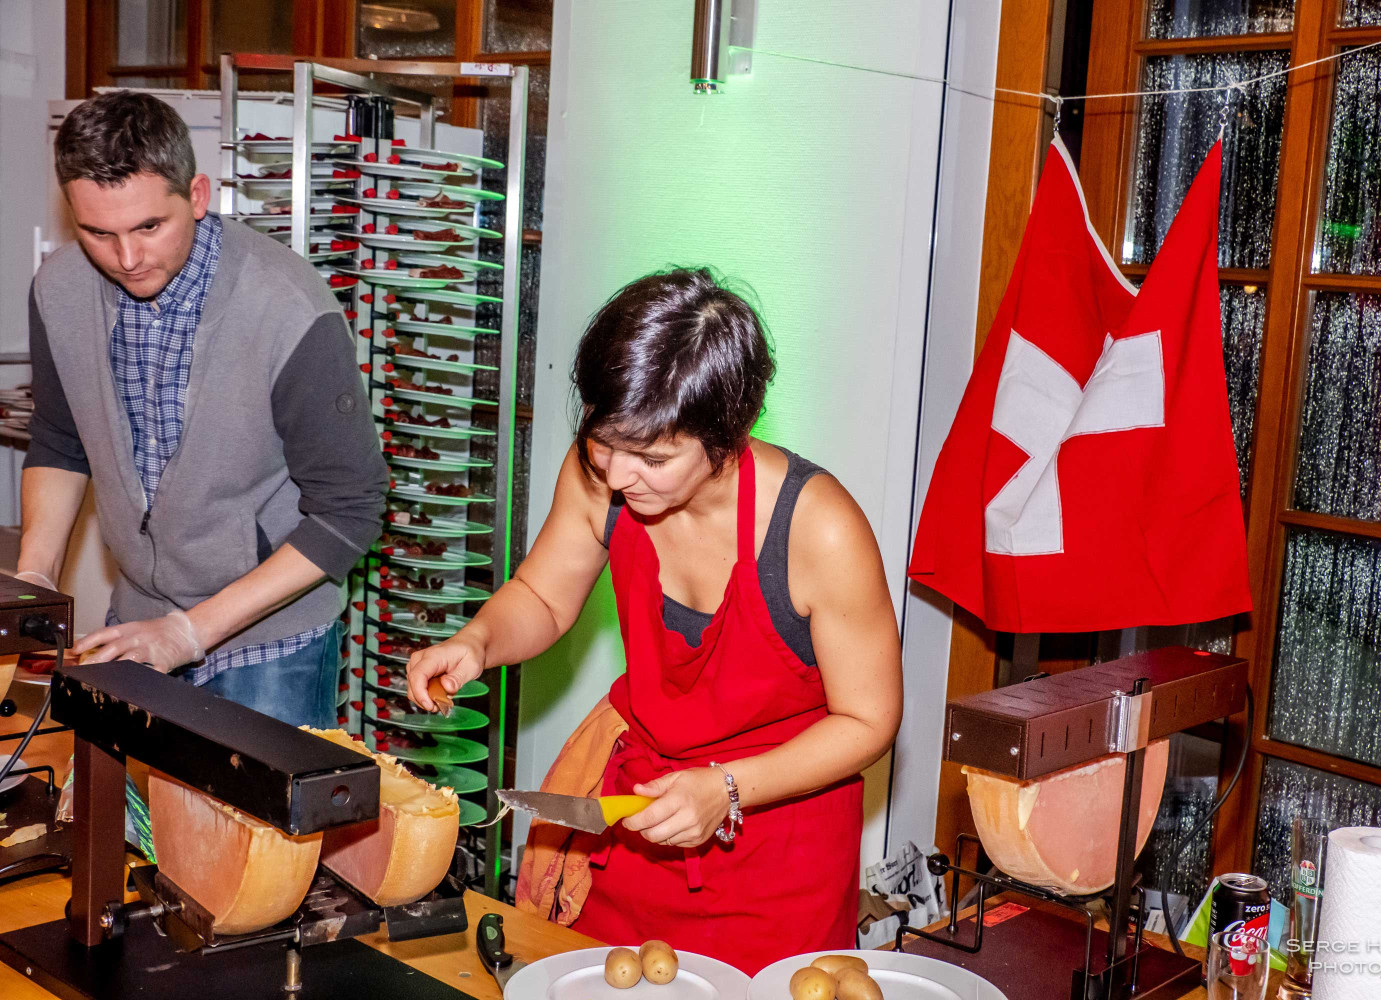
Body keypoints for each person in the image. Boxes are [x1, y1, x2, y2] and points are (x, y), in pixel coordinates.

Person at [407, 268, 903, 972]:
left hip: (774, 849)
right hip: (634, 821)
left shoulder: (818, 529)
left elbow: (869, 720)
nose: (616, 475)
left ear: (727, 435)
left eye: (652, 457)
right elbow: (543, 596)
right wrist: (478, 641)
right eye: (604, 442)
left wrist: (727, 788)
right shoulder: (605, 473)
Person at [19, 91, 386, 727]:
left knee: (254, 799)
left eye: (148, 227)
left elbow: (351, 510)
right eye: (98, 233)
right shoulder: (59, 290)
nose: (127, 259)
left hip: (271, 641)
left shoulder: (287, 305)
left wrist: (189, 632)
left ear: (196, 195)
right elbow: (59, 438)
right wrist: (35, 579)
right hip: (137, 620)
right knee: (124, 795)